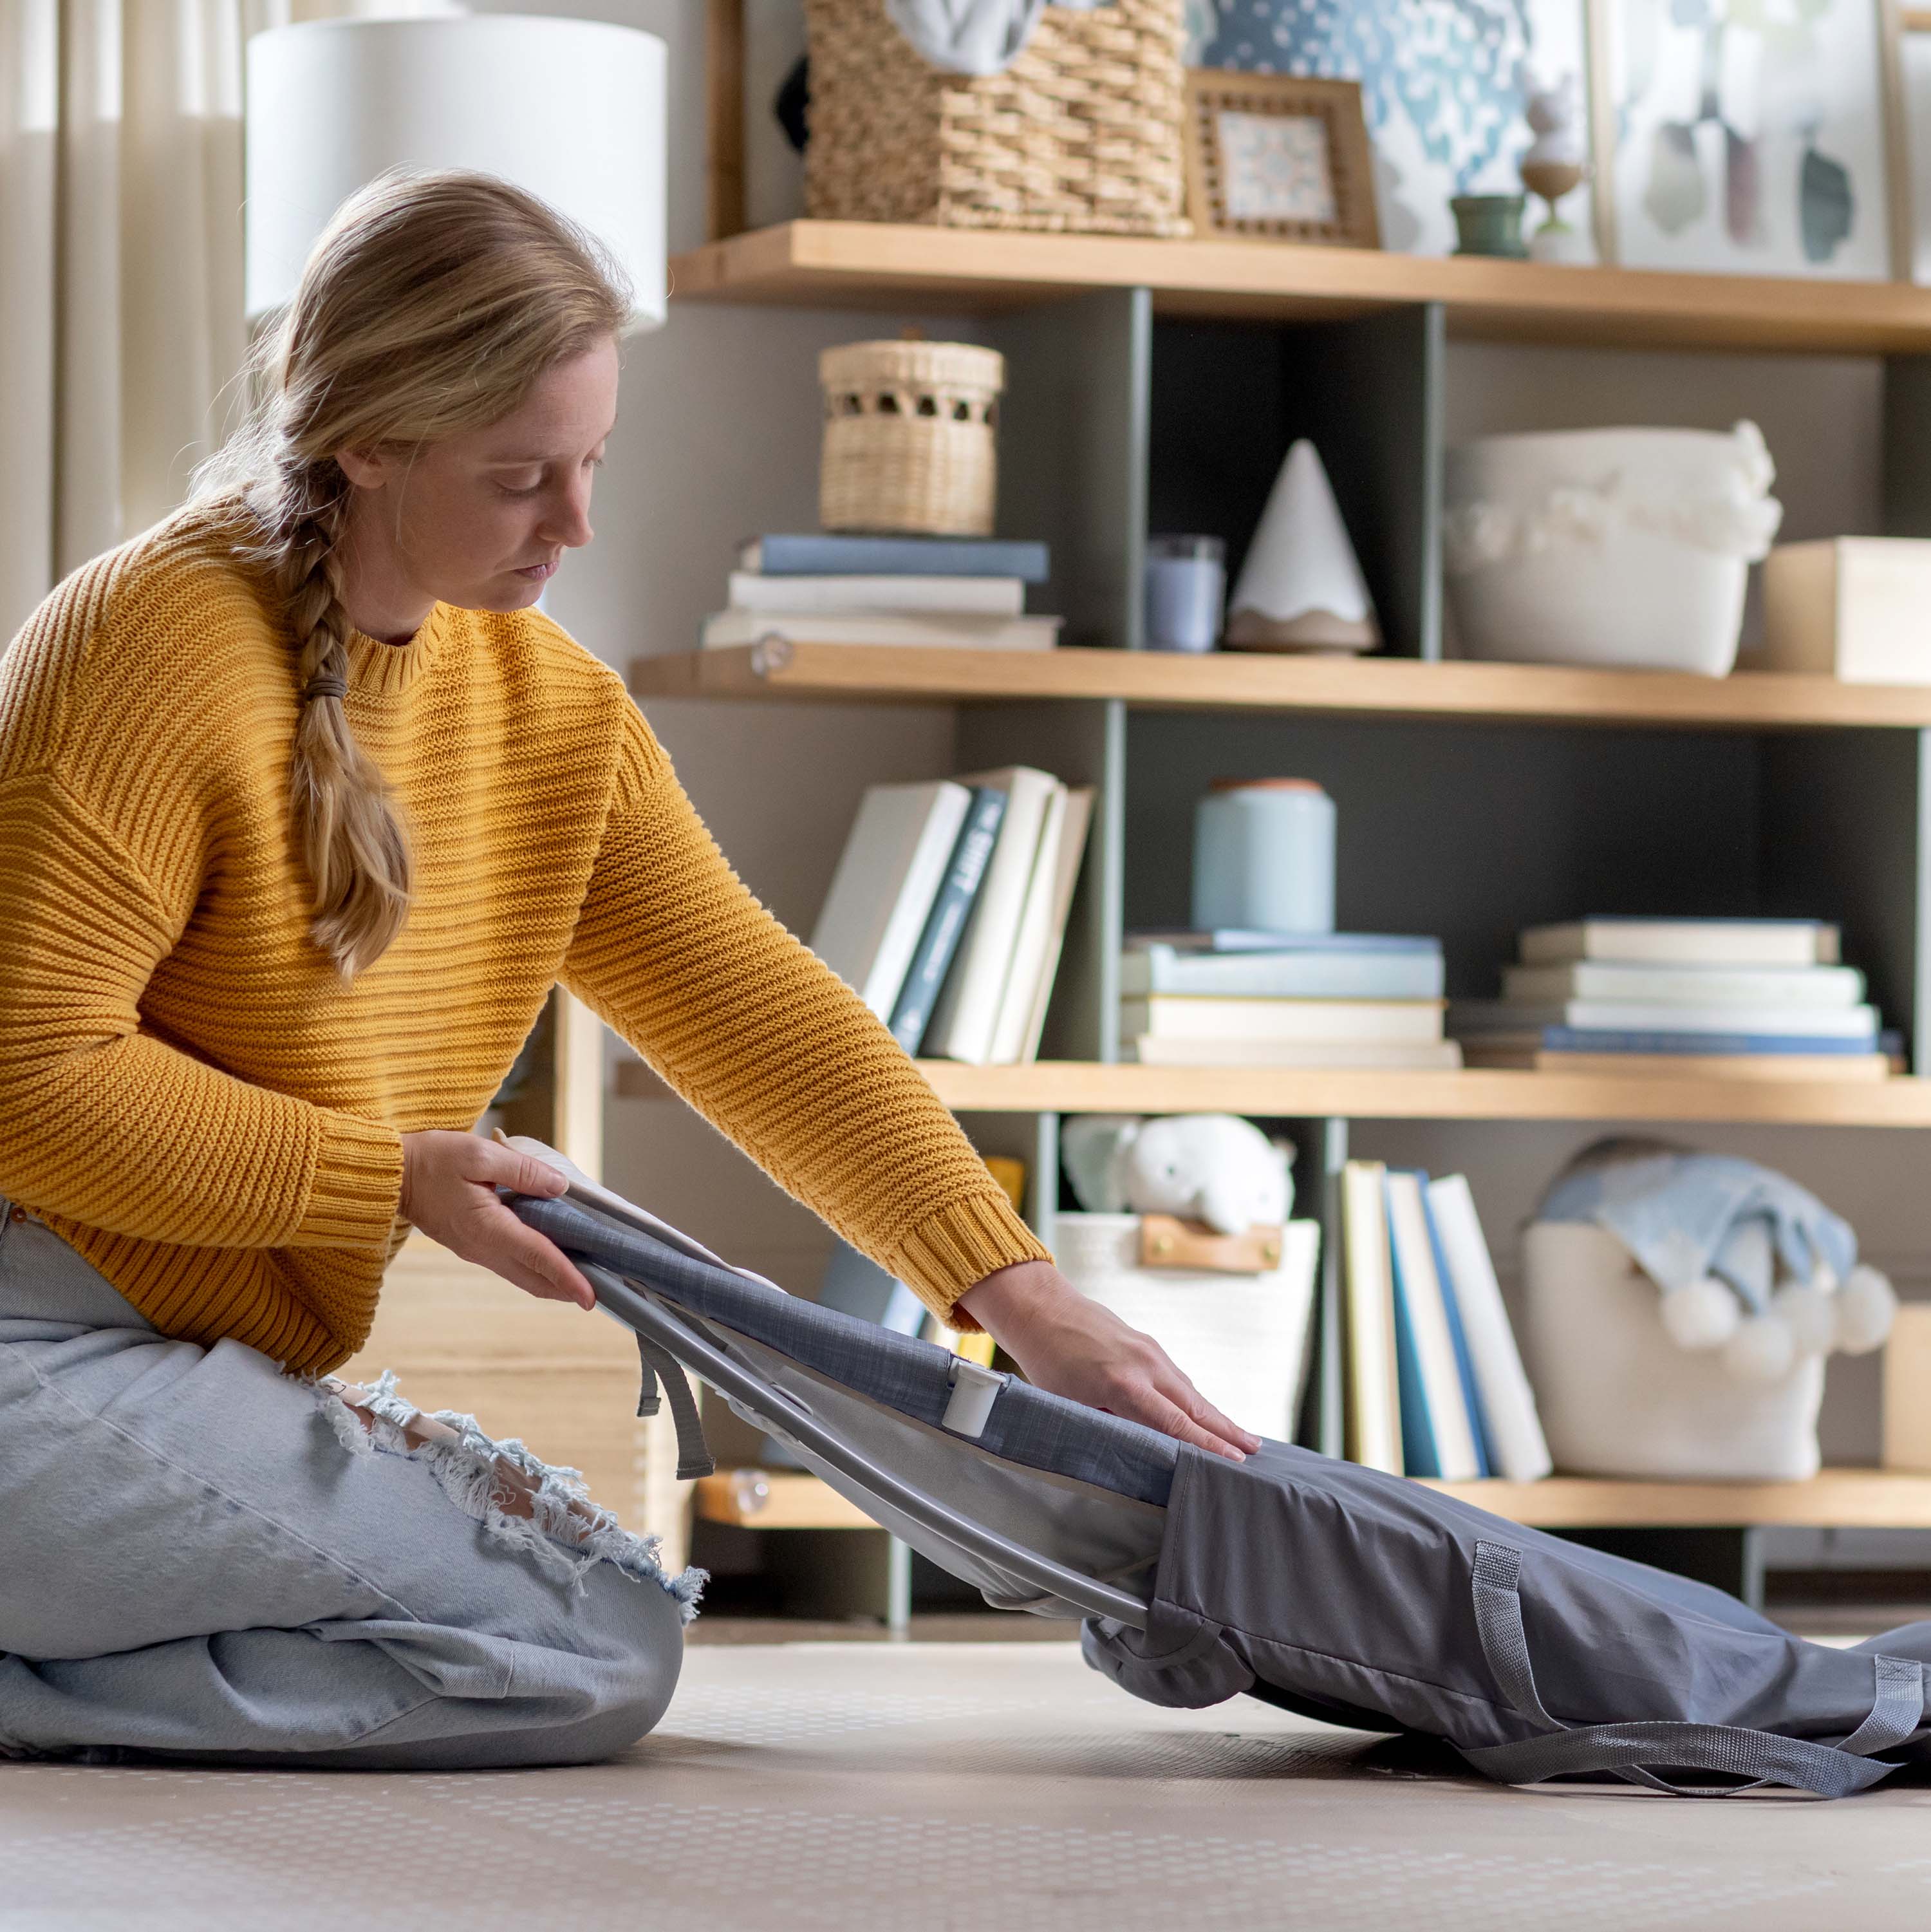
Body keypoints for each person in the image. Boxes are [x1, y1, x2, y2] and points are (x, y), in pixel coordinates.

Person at [0, 169, 1255, 1771]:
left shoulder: (554, 718)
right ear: (366, 437)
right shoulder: (145, 641)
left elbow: (764, 1013)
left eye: (592, 462)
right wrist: (386, 1178)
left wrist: (1023, 1297)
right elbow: (28, 1083)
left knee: (597, 1623)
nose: (579, 524)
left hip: (180, 1363)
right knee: (575, 1644)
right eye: (523, 476)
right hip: (32, 1339)